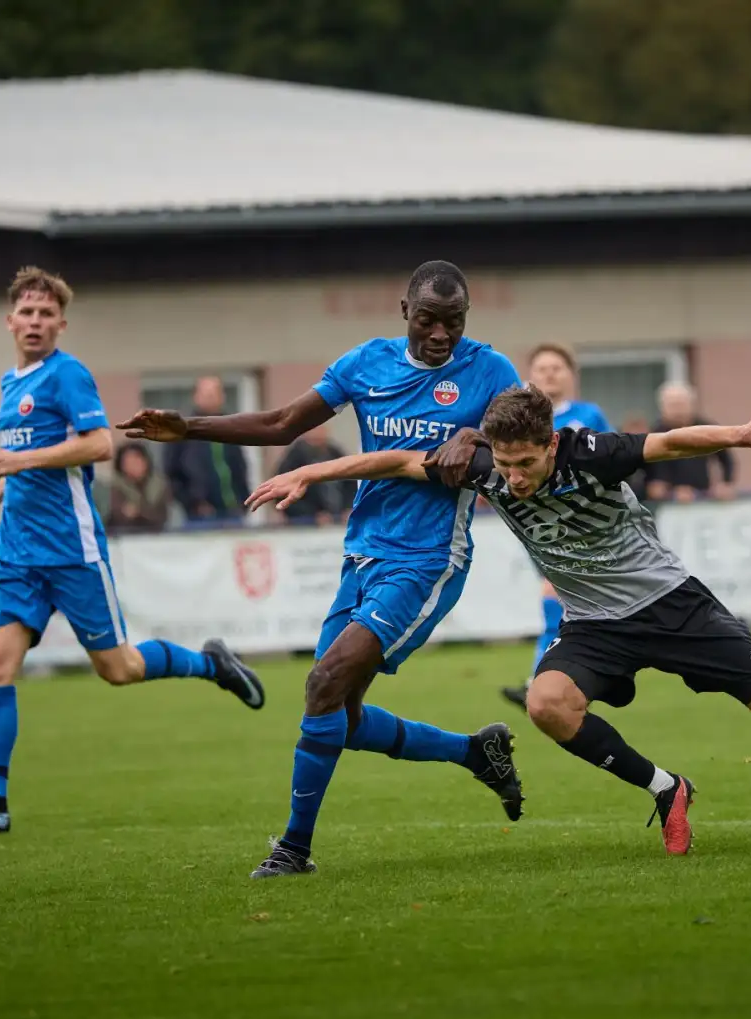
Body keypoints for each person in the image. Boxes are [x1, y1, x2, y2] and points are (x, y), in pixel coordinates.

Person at [250, 387, 751, 855]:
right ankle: (667, 788)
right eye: (503, 465)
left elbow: (669, 442)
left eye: (526, 464)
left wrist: (738, 434)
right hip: (593, 622)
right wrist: (309, 470)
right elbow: (392, 462)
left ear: (551, 444)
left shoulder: (591, 452)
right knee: (547, 703)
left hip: (673, 604)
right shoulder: (490, 466)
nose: (514, 478)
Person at [117, 260, 526, 880]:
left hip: (428, 560)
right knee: (344, 715)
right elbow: (283, 422)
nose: (442, 333)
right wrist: (190, 428)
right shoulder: (366, 363)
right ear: (404, 313)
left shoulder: (492, 371)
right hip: (362, 553)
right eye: (429, 320)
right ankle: (476, 752)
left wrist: (476, 438)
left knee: (323, 681)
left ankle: (293, 849)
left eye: (455, 321)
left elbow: (526, 447)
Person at [0, 267, 268, 836]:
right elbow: (34, 460)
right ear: (10, 321)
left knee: (120, 668)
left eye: (46, 314)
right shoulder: (11, 383)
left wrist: (17, 464)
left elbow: (99, 444)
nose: (35, 322)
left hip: (72, 551)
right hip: (17, 553)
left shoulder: (68, 376)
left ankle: (212, 665)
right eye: (26, 313)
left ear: (60, 323)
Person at [499, 341, 613, 711]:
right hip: (541, 526)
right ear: (529, 377)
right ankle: (548, 680)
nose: (549, 374)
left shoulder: (588, 415)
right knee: (559, 601)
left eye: (557, 368)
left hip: (585, 524)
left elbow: (613, 459)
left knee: (568, 603)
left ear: (570, 375)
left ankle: (550, 680)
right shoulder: (522, 422)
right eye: (542, 369)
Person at [165, 376, 251, 524]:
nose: (211, 398)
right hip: (200, 515)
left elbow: (240, 466)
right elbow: (172, 472)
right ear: (196, 396)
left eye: (214, 393)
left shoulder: (231, 427)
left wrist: (244, 500)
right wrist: (193, 503)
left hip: (233, 511)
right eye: (206, 393)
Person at [644, 382, 736, 502]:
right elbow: (645, 469)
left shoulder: (706, 429)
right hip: (666, 501)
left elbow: (727, 459)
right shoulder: (653, 434)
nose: (678, 411)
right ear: (662, 407)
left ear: (692, 405)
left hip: (703, 497)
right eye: (673, 405)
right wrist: (652, 486)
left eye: (681, 405)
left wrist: (725, 483)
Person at [272, 425, 354, 525]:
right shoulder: (294, 459)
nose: (318, 434)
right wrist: (312, 515)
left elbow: (351, 483)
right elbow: (283, 494)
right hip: (306, 524)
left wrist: (349, 508)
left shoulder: (334, 453)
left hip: (339, 520)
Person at [99, 442, 171, 534]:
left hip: (157, 536)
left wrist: (139, 513)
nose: (133, 466)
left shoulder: (159, 486)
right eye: (128, 462)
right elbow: (116, 514)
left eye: (136, 461)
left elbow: (161, 515)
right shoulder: (115, 487)